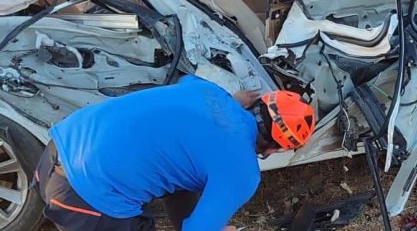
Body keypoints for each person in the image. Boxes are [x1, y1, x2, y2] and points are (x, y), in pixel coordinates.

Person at [34, 75, 316, 230]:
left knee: (182, 172)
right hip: (87, 199)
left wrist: (230, 102)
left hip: (55, 152)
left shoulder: (206, 89)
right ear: (276, 148)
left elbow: (190, 108)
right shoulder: (242, 172)